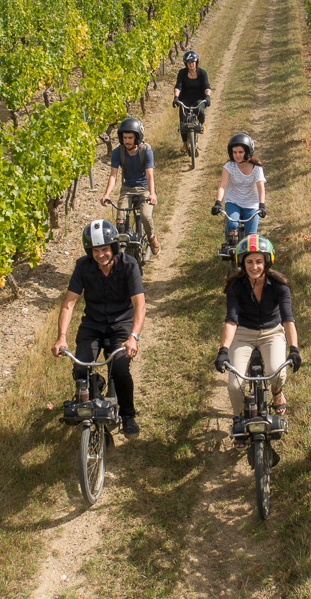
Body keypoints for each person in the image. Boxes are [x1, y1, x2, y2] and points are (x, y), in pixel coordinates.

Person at [53, 219, 146, 438]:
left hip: (121, 325)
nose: (101, 254)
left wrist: (133, 337)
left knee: (121, 369)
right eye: (96, 250)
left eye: (104, 249)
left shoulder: (129, 265)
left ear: (113, 247)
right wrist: (61, 337)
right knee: (80, 369)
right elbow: (69, 303)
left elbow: (139, 305)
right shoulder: (82, 267)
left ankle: (128, 415)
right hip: (92, 325)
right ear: (89, 251)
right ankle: (96, 387)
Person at [213, 235, 301, 446]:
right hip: (243, 333)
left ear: (267, 262)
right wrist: (224, 349)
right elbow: (232, 320)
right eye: (249, 261)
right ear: (242, 262)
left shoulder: (280, 286)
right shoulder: (235, 286)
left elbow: (288, 319)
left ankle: (277, 393)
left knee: (278, 373)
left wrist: (294, 348)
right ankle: (239, 418)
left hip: (272, 333)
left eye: (259, 261)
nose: (254, 266)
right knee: (235, 384)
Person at [100, 117, 160, 256]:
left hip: (144, 188)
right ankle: (122, 248)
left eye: (130, 138)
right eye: (125, 137)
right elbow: (113, 176)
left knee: (145, 215)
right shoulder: (117, 152)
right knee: (120, 218)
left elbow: (150, 175)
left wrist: (152, 194)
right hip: (127, 189)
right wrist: (106, 194)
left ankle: (151, 238)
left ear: (137, 138)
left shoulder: (146, 151)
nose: (127, 141)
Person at [210, 133, 266, 251]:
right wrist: (218, 202)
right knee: (232, 225)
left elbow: (261, 187)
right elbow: (222, 186)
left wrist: (262, 206)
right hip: (233, 201)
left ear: (248, 151)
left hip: (251, 204)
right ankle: (229, 244)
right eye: (234, 152)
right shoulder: (229, 166)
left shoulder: (257, 168)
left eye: (240, 152)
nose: (237, 155)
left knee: (251, 237)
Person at [174, 50, 212, 144]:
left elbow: (207, 86)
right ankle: (185, 143)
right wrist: (176, 98)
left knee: (201, 111)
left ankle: (202, 123)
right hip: (185, 98)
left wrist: (207, 97)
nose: (191, 64)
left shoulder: (202, 73)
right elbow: (178, 86)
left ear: (196, 62)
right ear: (186, 64)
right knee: (182, 120)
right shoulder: (182, 73)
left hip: (198, 97)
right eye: (189, 63)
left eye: (193, 62)